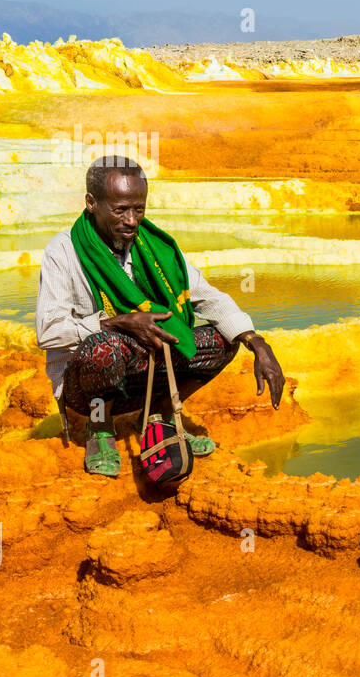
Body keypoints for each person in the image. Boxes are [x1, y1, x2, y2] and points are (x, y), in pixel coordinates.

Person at [35, 155, 285, 477]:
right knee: (103, 346)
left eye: (138, 209)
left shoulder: (155, 247)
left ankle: (157, 418)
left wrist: (257, 343)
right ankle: (100, 430)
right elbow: (48, 330)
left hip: (142, 370)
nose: (131, 220)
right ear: (92, 203)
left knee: (224, 339)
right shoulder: (63, 252)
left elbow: (207, 296)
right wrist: (118, 322)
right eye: (120, 209)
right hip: (86, 386)